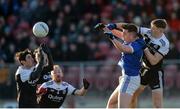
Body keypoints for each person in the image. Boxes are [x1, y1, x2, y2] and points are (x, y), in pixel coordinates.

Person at [105, 19, 169, 108]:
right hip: (142, 70)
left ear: (161, 30)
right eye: (151, 27)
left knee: (157, 105)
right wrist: (114, 26)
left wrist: (145, 48)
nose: (151, 30)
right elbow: (129, 27)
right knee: (132, 98)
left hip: (155, 72)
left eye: (154, 29)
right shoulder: (148, 31)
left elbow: (154, 61)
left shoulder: (164, 43)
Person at [101, 24, 145, 108]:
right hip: (128, 78)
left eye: (125, 33)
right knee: (111, 104)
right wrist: (105, 28)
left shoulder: (136, 44)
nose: (122, 35)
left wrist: (111, 37)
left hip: (130, 79)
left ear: (132, 35)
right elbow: (117, 34)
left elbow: (123, 49)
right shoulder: (131, 40)